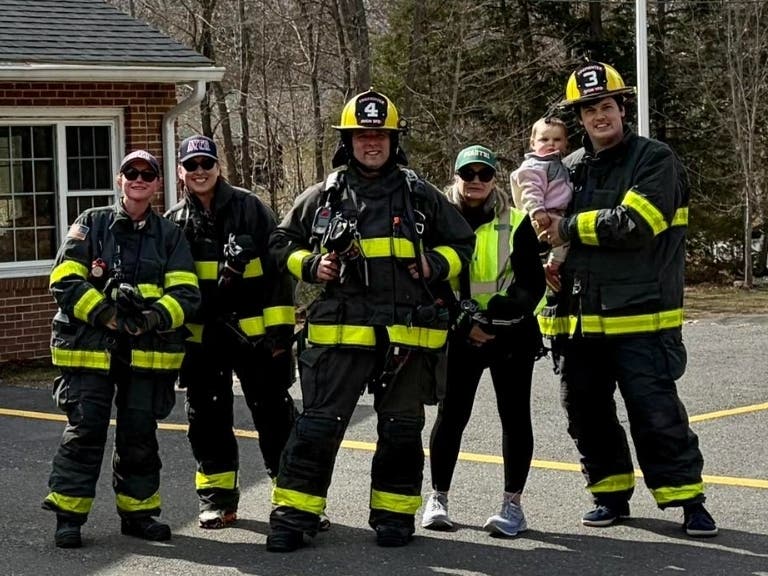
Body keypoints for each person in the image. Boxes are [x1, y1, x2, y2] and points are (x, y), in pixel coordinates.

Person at [266, 89, 475, 552]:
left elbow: (464, 245)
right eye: (362, 135)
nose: (372, 143)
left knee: (401, 429)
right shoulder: (324, 195)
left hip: (405, 336)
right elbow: (280, 242)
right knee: (318, 427)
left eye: (380, 134)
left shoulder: (420, 194)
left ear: (394, 139)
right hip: (339, 333)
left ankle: (394, 516)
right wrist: (310, 264)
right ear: (349, 141)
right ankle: (293, 516)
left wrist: (433, 266)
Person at [540, 61, 718, 537]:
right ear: (578, 119)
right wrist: (549, 257)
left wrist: (569, 228)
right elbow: (544, 228)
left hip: (642, 318)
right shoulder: (568, 168)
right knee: (587, 415)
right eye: (589, 110)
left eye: (606, 106)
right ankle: (610, 495)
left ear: (622, 107)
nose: (599, 117)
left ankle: (688, 501)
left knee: (656, 414)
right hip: (580, 322)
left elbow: (635, 225)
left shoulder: (654, 159)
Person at [43, 150, 201, 548]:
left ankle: (139, 515)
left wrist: (150, 319)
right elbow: (64, 280)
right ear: (119, 179)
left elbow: (186, 294)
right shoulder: (91, 223)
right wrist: (107, 315)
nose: (139, 178)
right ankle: (69, 517)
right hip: (91, 350)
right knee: (84, 432)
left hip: (146, 352)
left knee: (139, 436)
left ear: (158, 184)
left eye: (148, 174)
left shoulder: (170, 236)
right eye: (131, 172)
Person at [165, 135, 298, 529]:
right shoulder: (174, 223)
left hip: (256, 339)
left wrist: (280, 335)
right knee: (207, 420)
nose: (200, 171)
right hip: (203, 341)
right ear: (181, 172)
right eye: (192, 166)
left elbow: (279, 274)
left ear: (218, 167)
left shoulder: (251, 209)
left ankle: (294, 500)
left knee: (274, 417)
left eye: (207, 163)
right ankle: (217, 501)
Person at [421, 145, 545, 536]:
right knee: (451, 416)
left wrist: (500, 316)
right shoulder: (437, 220)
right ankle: (438, 497)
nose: (476, 181)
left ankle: (513, 505)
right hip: (460, 334)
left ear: (495, 179)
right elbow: (431, 281)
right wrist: (463, 322)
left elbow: (532, 283)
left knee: (515, 417)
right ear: (455, 176)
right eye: (468, 174)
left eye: (484, 174)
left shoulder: (518, 221)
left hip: (510, 334)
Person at [510, 117, 573, 291]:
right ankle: (551, 268)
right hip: (543, 215)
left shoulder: (558, 164)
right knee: (562, 241)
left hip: (557, 214)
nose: (551, 144)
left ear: (565, 143)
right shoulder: (535, 165)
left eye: (557, 139)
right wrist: (537, 211)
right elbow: (530, 190)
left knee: (564, 242)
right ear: (532, 143)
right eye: (544, 139)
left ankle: (551, 268)